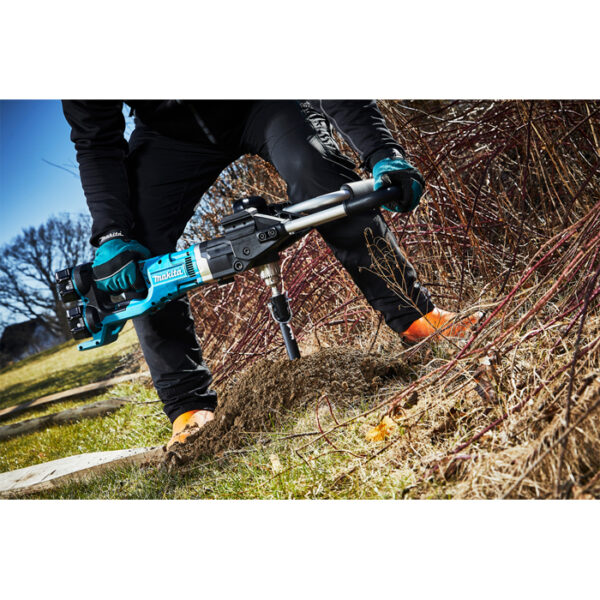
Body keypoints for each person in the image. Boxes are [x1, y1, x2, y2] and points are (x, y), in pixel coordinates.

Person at [62, 100, 480, 449]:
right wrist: (111, 233)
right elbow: (95, 139)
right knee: (137, 250)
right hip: (170, 134)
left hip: (263, 100)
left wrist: (380, 150)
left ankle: (415, 317)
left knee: (315, 170)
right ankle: (189, 408)